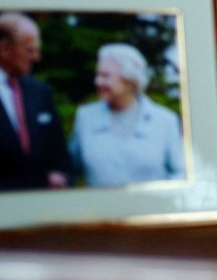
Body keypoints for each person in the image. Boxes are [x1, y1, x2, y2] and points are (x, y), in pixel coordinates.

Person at [69, 42, 186, 188]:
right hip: (100, 210)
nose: (98, 82)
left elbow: (180, 173)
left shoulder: (165, 121)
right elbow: (69, 171)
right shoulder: (85, 118)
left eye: (105, 76)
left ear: (130, 81)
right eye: (97, 75)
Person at [0, 12, 72, 190]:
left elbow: (60, 155)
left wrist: (59, 174)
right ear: (4, 48)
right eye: (30, 49)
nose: (37, 57)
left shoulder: (40, 92)